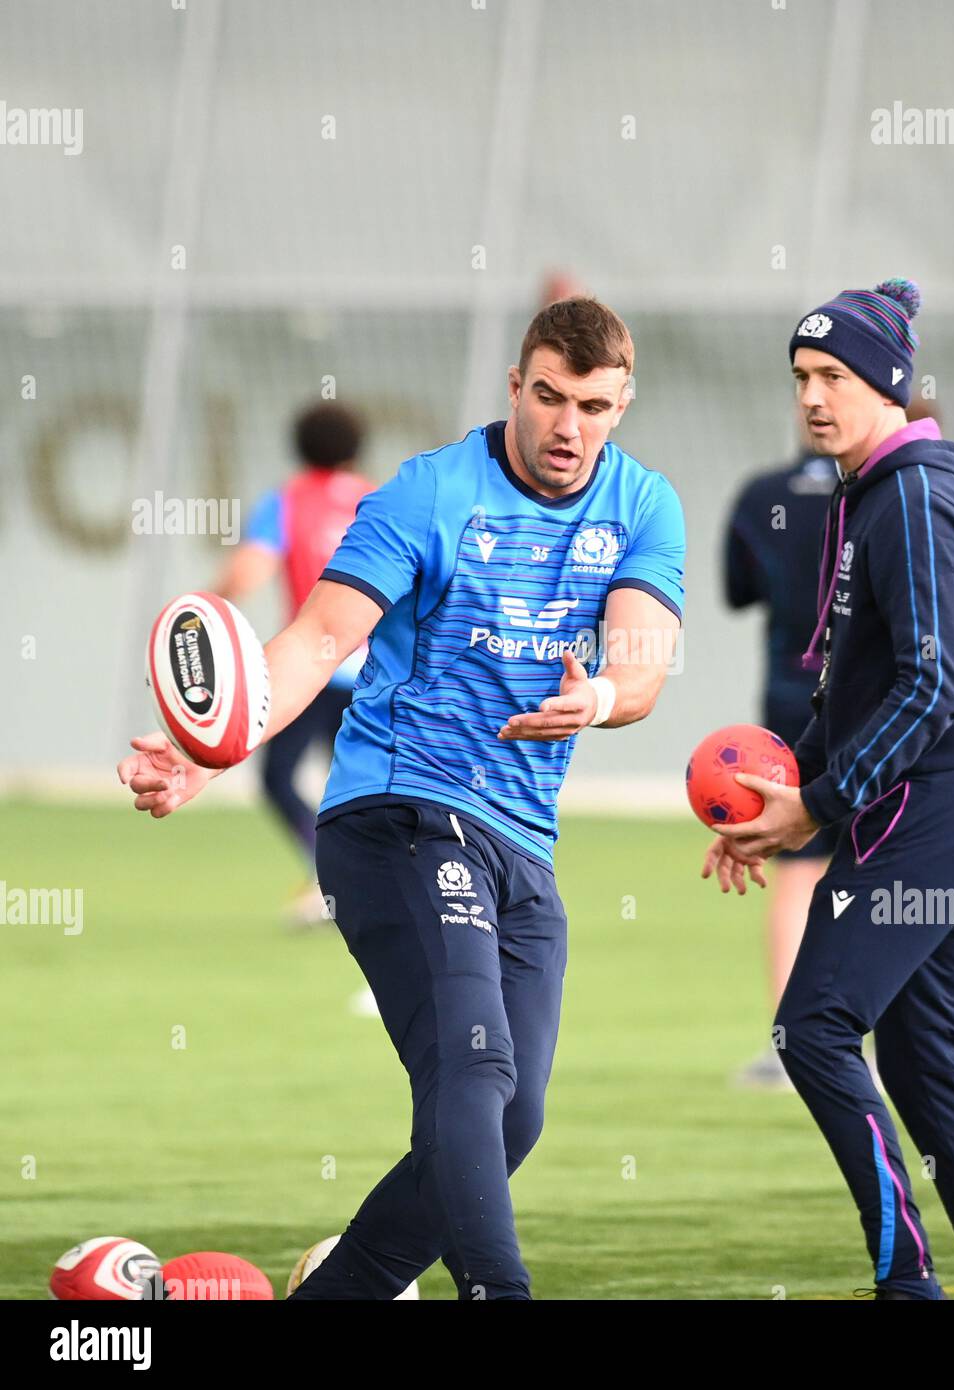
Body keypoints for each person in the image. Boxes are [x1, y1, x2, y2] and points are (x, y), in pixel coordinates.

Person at [119, 297, 685, 1301]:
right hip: (398, 815)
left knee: (513, 1120)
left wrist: (594, 696)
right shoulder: (426, 493)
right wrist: (216, 747)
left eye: (593, 406)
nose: (568, 426)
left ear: (622, 402)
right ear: (515, 386)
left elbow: (641, 662)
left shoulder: (642, 506)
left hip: (523, 838)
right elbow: (319, 639)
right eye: (549, 397)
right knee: (468, 1073)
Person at [702, 278, 954, 1301]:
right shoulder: (872, 493)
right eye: (801, 376)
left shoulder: (913, 494)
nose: (811, 395)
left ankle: (908, 1283)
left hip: (944, 805)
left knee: (812, 1026)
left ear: (887, 384)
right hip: (945, 803)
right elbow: (852, 690)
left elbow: (934, 678)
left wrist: (822, 801)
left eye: (833, 375)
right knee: (921, 1062)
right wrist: (777, 800)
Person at [213, 403, 374, 924]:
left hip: (310, 670)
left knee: (278, 779)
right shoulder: (378, 501)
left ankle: (329, 877)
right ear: (355, 448)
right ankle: (362, 885)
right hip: (374, 673)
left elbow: (246, 575)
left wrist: (199, 618)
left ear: (300, 449)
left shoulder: (285, 503)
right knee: (368, 787)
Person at [721, 417, 843, 1089]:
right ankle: (874, 1044)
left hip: (790, 700)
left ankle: (791, 1044)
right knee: (884, 868)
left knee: (798, 869)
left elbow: (738, 592)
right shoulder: (889, 492)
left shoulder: (760, 494)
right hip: (877, 703)